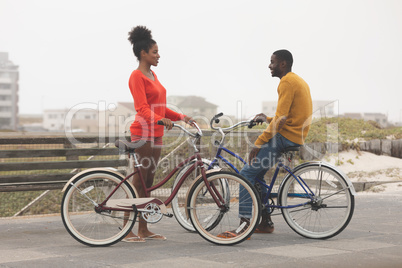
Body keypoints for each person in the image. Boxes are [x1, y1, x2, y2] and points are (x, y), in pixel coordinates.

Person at [124, 26, 193, 242]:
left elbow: (161, 107)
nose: (158, 55)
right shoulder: (137, 76)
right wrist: (159, 119)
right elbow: (142, 108)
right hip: (143, 133)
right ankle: (126, 229)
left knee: (149, 182)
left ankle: (143, 229)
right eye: (154, 52)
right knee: (138, 183)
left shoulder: (153, 74)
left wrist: (182, 117)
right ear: (143, 53)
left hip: (157, 133)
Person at [239, 49, 312, 234]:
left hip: (284, 137)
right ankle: (265, 222)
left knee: (246, 173)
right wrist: (267, 118)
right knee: (257, 176)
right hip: (295, 134)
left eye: (272, 62)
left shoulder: (286, 82)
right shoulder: (297, 80)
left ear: (283, 64)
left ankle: (244, 225)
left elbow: (281, 121)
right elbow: (286, 117)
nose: (269, 65)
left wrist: (259, 142)